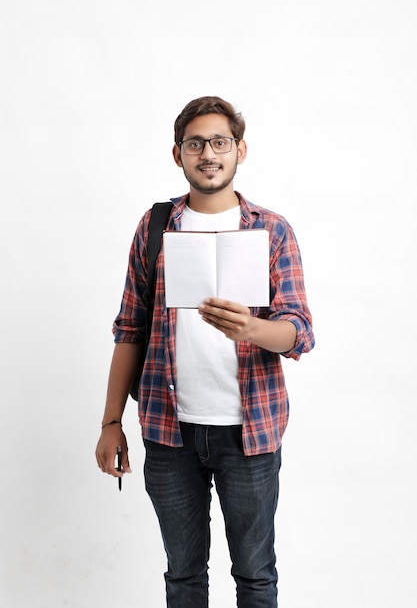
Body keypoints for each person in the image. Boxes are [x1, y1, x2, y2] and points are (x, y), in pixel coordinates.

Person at [95, 95, 315, 608]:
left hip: (250, 434)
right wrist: (110, 423)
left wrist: (252, 331)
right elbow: (130, 328)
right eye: (196, 144)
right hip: (170, 433)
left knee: (256, 576)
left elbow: (300, 331)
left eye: (220, 142)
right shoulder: (155, 228)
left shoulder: (271, 229)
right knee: (183, 577)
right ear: (179, 155)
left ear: (240, 150)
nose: (208, 154)